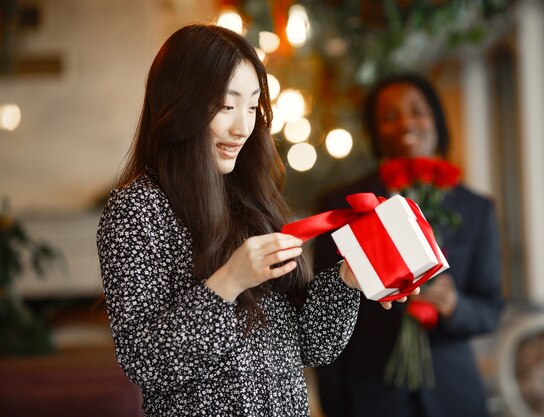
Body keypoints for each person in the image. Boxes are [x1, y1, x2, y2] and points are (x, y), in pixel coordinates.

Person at [97, 24, 414, 417]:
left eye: (252, 106)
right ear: (181, 104)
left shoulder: (250, 196)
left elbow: (310, 344)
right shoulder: (136, 209)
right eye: (227, 106)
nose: (242, 127)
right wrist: (229, 281)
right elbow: (146, 364)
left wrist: (348, 280)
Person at [314, 73, 505, 417]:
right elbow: (321, 307)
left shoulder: (476, 209)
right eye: (389, 117)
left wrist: (455, 306)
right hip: (370, 396)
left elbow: (491, 309)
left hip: (455, 395)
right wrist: (333, 402)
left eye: (417, 111)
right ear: (375, 132)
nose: (405, 123)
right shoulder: (343, 207)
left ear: (437, 121)